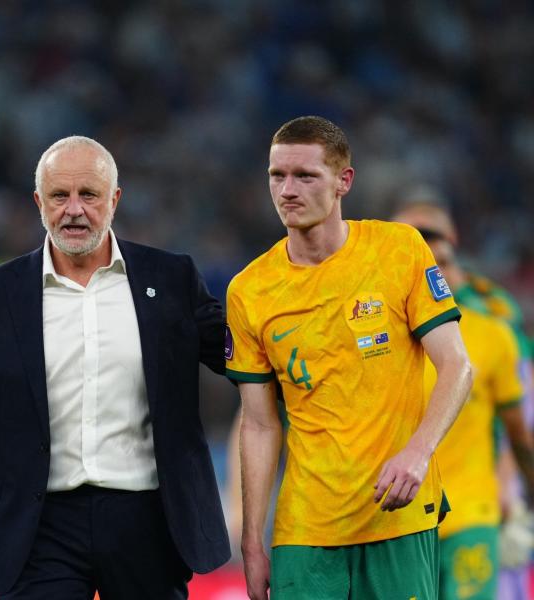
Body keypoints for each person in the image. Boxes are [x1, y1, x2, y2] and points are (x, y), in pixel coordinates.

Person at [0, 135, 231, 599]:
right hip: (38, 529)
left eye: (88, 194)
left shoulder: (170, 280)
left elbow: (244, 360)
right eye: (58, 196)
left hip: (148, 520)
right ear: (37, 202)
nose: (73, 209)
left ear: (115, 200)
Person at [226, 116, 473, 599]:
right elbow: (258, 424)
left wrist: (417, 452)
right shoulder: (249, 290)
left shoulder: (398, 250)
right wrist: (252, 540)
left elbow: (457, 366)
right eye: (277, 176)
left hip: (397, 515)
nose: (287, 190)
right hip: (305, 529)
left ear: (344, 181)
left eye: (305, 176)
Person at [395, 200, 534, 600]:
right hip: (401, 517)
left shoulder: (495, 328)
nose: (436, 272)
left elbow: (514, 424)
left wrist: (513, 492)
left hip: (473, 511)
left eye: (443, 262)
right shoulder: (377, 339)